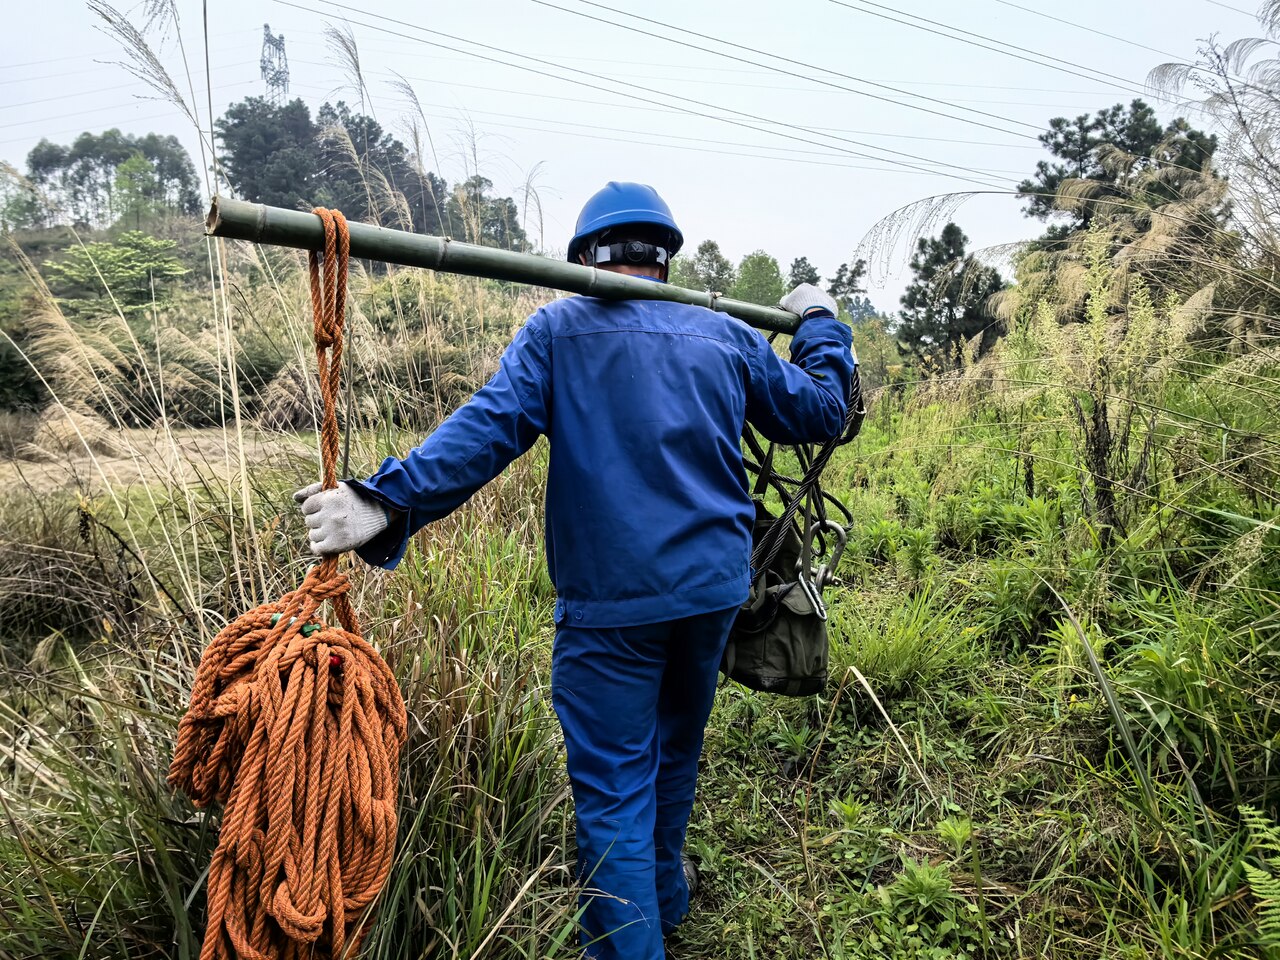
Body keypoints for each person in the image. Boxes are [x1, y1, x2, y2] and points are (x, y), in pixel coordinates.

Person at [295, 181, 855, 960]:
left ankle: (636, 934)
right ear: (664, 257)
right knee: (672, 750)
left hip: (613, 610)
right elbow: (823, 409)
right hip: (712, 594)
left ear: (586, 257)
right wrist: (820, 322)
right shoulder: (725, 334)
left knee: (615, 788)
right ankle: (664, 898)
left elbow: (488, 431)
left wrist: (385, 501)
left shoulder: (559, 332)